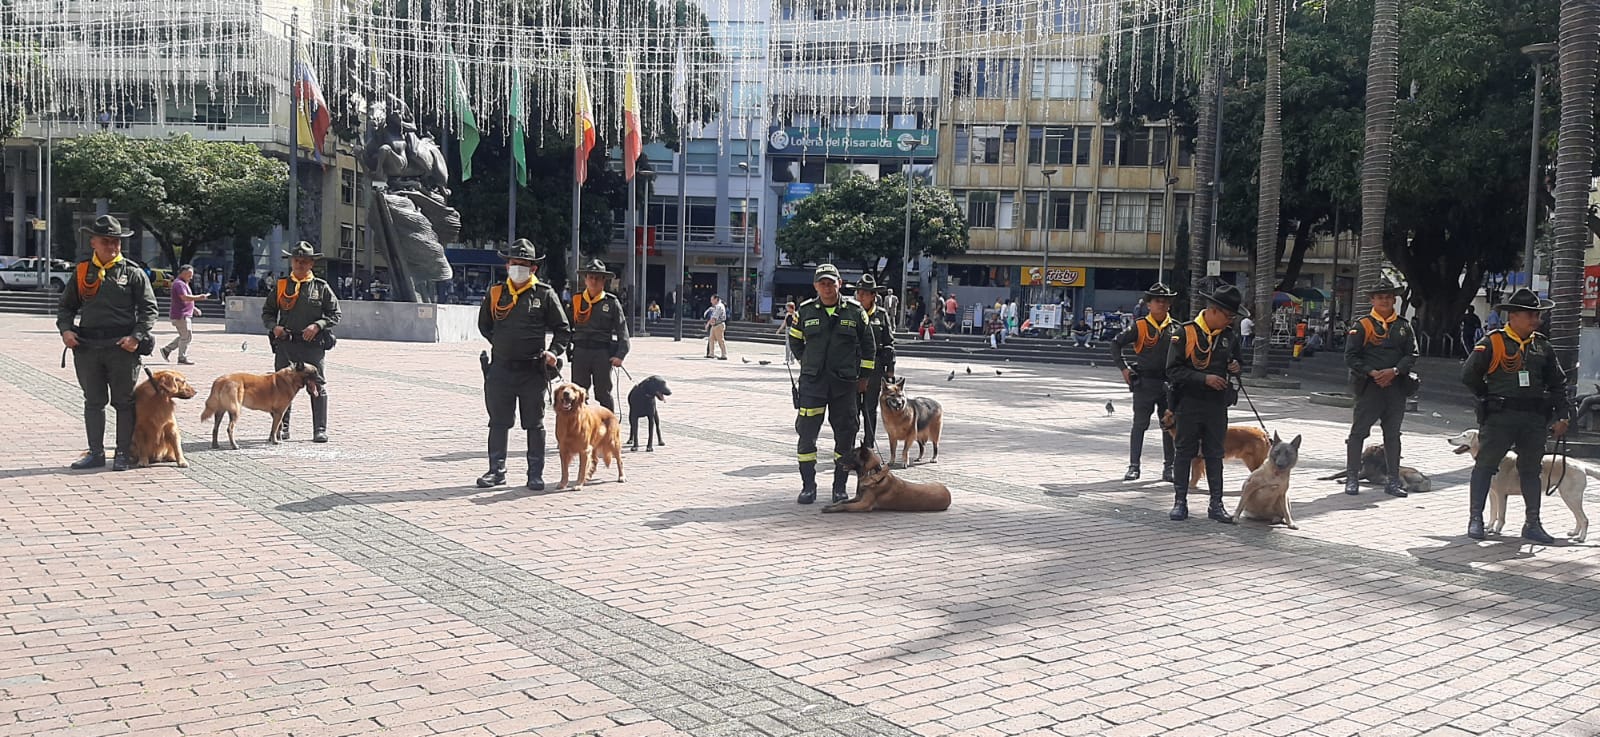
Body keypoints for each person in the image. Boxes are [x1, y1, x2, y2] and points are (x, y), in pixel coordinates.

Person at [1461, 288, 1570, 543]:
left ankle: (1533, 523)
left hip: (1533, 419)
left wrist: (1563, 415)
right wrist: (1487, 397)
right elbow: (1469, 375)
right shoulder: (1492, 342)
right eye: (1530, 315)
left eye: (1537, 315)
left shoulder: (1542, 345)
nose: (1536, 320)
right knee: (1486, 466)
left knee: (1531, 470)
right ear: (1513, 317)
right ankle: (1476, 518)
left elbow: (1558, 383)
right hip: (1501, 416)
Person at [58, 215, 158, 471]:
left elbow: (149, 310)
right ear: (93, 242)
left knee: (123, 402)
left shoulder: (133, 272)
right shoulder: (82, 272)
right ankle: (96, 452)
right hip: (87, 347)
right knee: (93, 401)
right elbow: (66, 307)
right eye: (106, 242)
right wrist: (66, 331)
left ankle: (123, 453)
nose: (112, 247)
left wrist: (136, 337)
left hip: (122, 348)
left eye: (116, 242)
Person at [476, 239, 572, 491]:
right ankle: (496, 471)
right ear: (507, 265)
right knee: (498, 421)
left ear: (533, 268)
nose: (517, 267)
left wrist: (553, 352)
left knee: (534, 423)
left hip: (532, 371)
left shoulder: (544, 294)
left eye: (523, 264)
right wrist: (501, 342)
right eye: (514, 262)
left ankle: (535, 473)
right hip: (501, 369)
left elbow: (563, 330)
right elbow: (484, 324)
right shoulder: (496, 293)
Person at [786, 264, 875, 504]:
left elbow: (869, 347)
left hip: (844, 385)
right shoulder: (804, 312)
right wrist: (808, 361)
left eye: (831, 282)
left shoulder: (855, 311)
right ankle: (808, 487)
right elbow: (795, 342)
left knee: (845, 437)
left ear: (840, 283)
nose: (827, 287)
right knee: (806, 437)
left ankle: (839, 487)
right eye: (822, 283)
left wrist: (864, 377)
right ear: (815, 286)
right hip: (813, 385)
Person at [1166, 283, 1248, 523]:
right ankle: (1180, 502)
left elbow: (1239, 363)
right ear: (1213, 310)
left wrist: (1236, 368)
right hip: (1189, 402)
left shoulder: (1228, 337)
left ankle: (1216, 504)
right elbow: (1172, 371)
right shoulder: (1185, 333)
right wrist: (1204, 378)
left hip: (1216, 405)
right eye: (1228, 315)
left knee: (1215, 454)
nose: (1230, 321)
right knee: (1184, 452)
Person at [1343, 273, 1418, 497]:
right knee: (1358, 433)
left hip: (1395, 387)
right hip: (1370, 387)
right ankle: (1352, 477)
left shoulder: (1404, 326)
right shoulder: (1362, 325)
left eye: (1388, 297)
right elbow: (1351, 356)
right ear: (1372, 300)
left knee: (1393, 435)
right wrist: (1372, 372)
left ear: (1394, 299)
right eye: (1379, 297)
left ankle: (1393, 481)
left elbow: (1412, 353)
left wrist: (1394, 371)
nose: (1384, 301)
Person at [261, 242, 341, 443]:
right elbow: (268, 312)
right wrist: (274, 326)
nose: (300, 264)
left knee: (317, 385)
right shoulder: (281, 286)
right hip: (286, 344)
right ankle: (282, 427)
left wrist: (318, 325)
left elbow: (335, 314)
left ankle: (319, 430)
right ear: (291, 262)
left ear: (311, 263)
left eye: (304, 261)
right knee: (281, 386)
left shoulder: (321, 287)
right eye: (296, 260)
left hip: (312, 346)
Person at [1110, 283, 1181, 482]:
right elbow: (1116, 344)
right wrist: (1123, 369)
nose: (1162, 305)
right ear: (1148, 304)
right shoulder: (1140, 326)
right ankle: (1134, 466)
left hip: (1168, 383)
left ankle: (1169, 467)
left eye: (1166, 301)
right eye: (1158, 301)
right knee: (1140, 424)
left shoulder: (1176, 328)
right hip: (1145, 383)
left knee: (1169, 426)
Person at [567, 259, 630, 412]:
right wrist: (566, 348)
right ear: (585, 279)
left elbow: (623, 331)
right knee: (578, 393)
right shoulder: (577, 300)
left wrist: (620, 355)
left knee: (603, 393)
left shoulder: (612, 302)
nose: (593, 281)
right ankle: (581, 429)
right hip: (580, 352)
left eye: (597, 278)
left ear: (604, 281)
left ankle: (609, 428)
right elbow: (565, 327)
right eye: (591, 277)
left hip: (601, 353)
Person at [853, 275, 896, 449]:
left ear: (873, 296)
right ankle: (848, 444)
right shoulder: (851, 312)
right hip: (853, 367)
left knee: (869, 409)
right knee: (852, 409)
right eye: (859, 293)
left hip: (875, 368)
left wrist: (890, 370)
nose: (860, 297)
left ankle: (869, 444)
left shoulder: (881, 315)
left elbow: (889, 343)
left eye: (864, 293)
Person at [160, 264, 207, 365]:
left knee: (185, 336)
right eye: (189, 274)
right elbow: (184, 297)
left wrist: (194, 308)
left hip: (184, 314)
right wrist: (199, 297)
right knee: (186, 336)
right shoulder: (179, 284)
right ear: (182, 273)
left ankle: (167, 349)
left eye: (191, 274)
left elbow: (184, 300)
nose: (191, 277)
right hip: (180, 315)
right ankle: (181, 357)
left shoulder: (183, 283)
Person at [703, 294, 728, 359]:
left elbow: (714, 317)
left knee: (720, 340)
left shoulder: (719, 306)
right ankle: (711, 353)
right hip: (714, 325)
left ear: (716, 299)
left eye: (712, 300)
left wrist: (708, 324)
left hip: (718, 325)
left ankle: (724, 354)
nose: (711, 301)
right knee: (711, 339)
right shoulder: (716, 306)